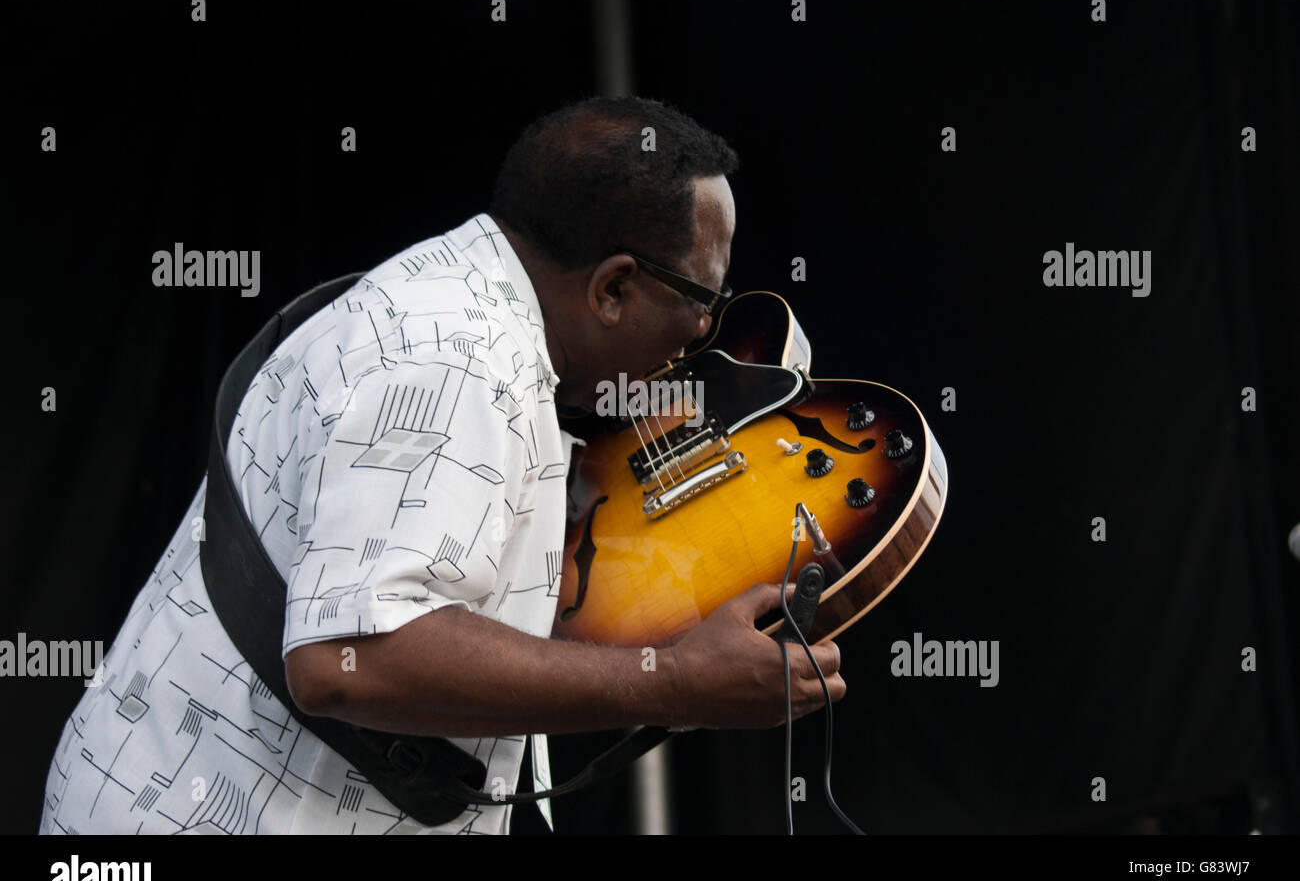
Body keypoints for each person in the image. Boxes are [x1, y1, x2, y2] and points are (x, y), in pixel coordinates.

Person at [38, 96, 845, 835]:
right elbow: (348, 658)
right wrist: (669, 681)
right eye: (701, 297)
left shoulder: (463, 299)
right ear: (613, 288)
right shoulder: (459, 361)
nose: (704, 327)